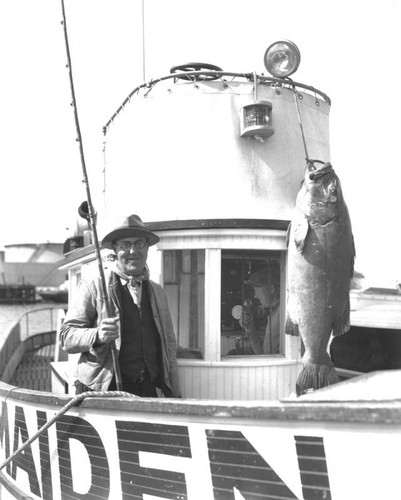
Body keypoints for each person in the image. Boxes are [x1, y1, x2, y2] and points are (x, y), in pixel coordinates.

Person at [59, 214, 181, 398]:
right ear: (115, 249)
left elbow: (169, 346)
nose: (133, 251)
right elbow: (66, 337)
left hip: (147, 390)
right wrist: (97, 335)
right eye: (125, 245)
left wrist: (175, 392)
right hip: (99, 391)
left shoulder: (157, 292)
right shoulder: (93, 285)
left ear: (147, 247)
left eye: (139, 243)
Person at [239, 264, 281, 355]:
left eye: (257, 290)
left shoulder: (282, 314)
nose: (255, 296)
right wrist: (250, 328)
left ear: (271, 289)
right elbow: (263, 353)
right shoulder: (274, 313)